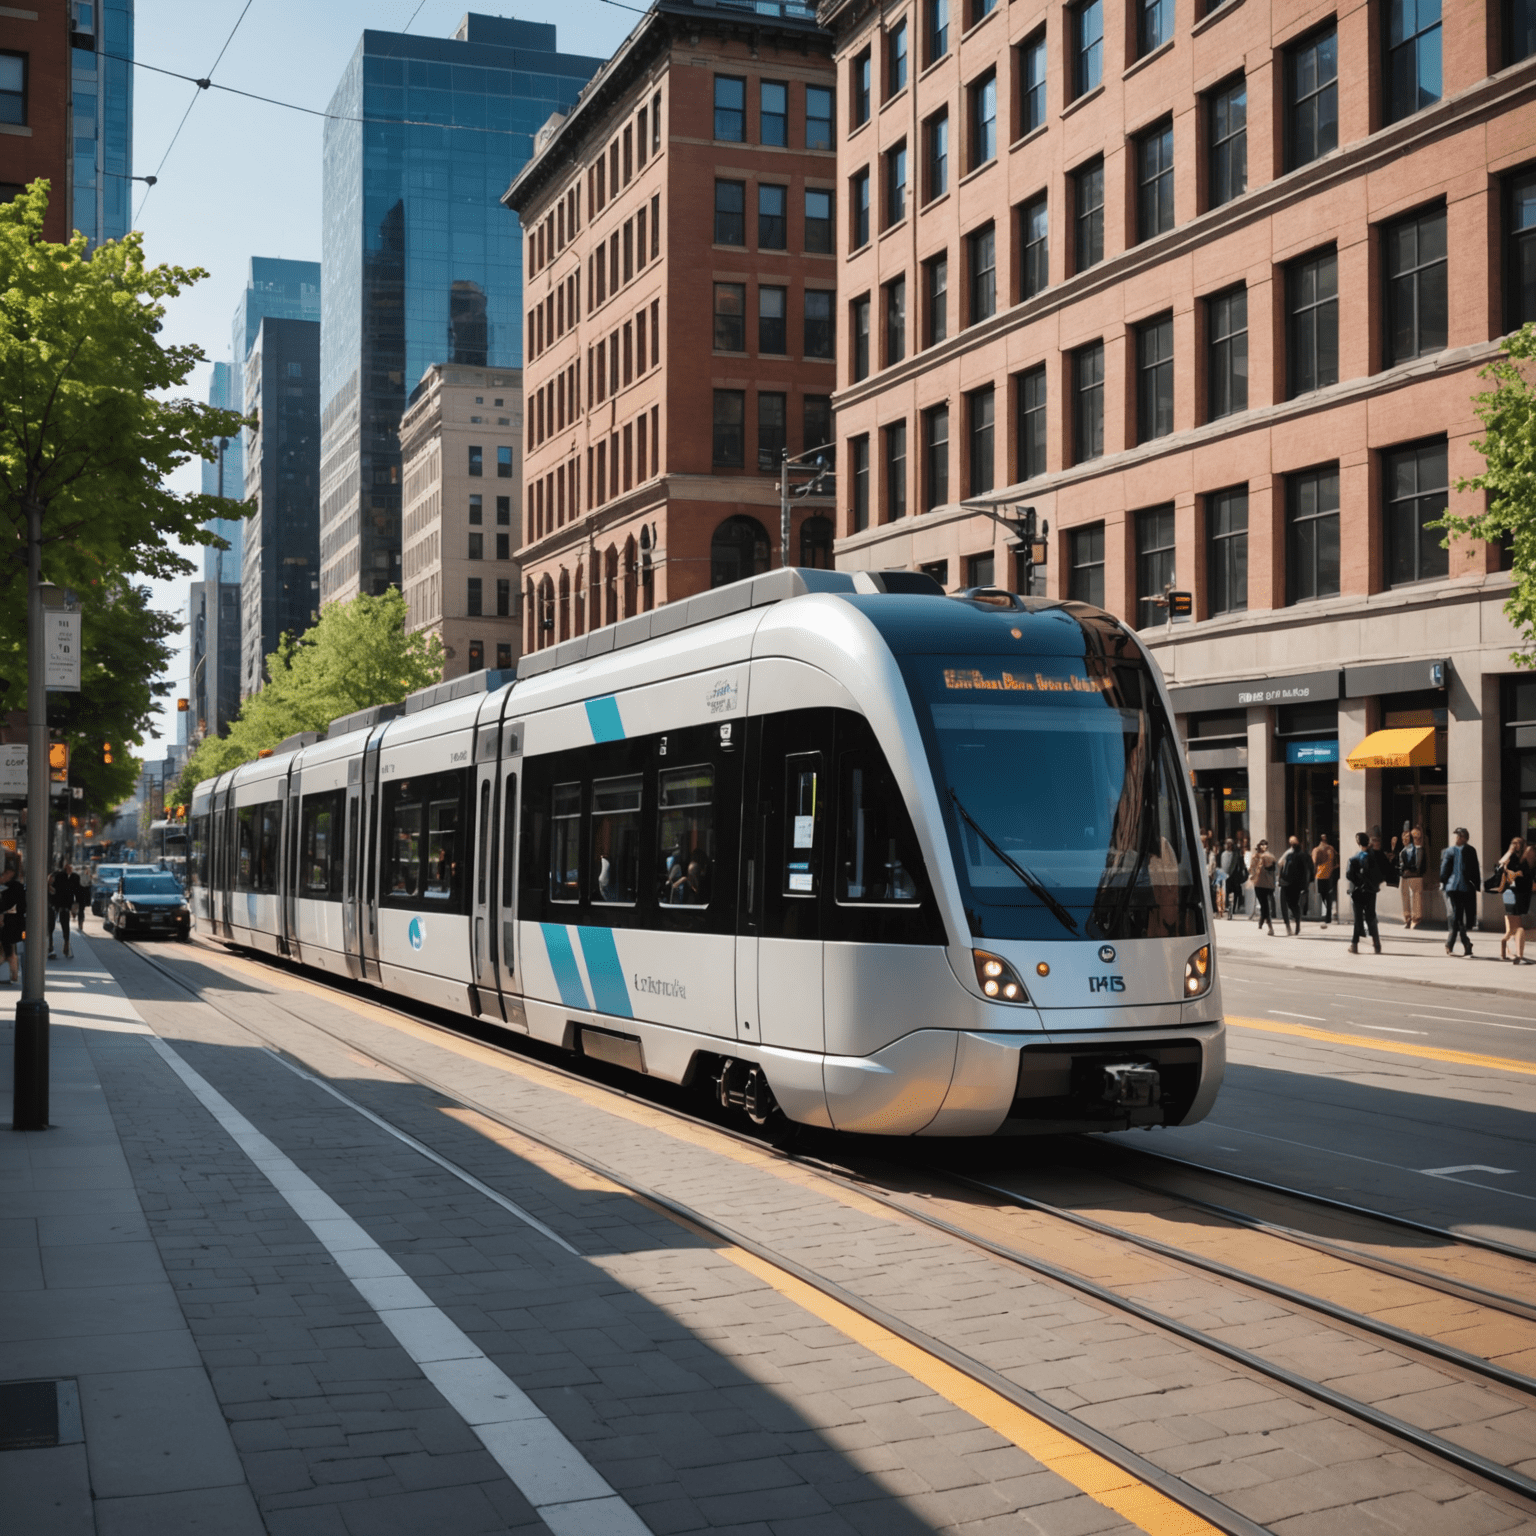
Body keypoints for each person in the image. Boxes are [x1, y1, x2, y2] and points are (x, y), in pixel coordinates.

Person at [1346, 832, 1394, 954]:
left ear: (1358, 842)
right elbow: (1386, 871)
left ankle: (1354, 944)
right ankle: (1376, 943)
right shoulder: (1376, 856)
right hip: (1371, 891)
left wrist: (1358, 883)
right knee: (1371, 916)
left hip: (1357, 892)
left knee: (1358, 918)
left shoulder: (1354, 858)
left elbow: (1349, 875)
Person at [1439, 827, 1481, 957]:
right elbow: (1444, 868)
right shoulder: (1448, 851)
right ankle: (1464, 943)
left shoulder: (1470, 850)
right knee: (1457, 914)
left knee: (1458, 916)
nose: (1456, 838)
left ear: (1464, 838)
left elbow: (1475, 868)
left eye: (1459, 836)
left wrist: (1477, 885)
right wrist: (1442, 882)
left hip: (1465, 887)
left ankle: (1455, 943)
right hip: (1452, 887)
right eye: (1456, 836)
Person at [1495, 836, 1527, 961]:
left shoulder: (1524, 858)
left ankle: (1507, 950)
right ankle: (1511, 951)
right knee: (1514, 922)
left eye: (1519, 843)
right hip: (1510, 893)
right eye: (1514, 843)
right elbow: (1500, 864)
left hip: (1521, 892)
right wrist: (1510, 851)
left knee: (1514, 923)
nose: (1516, 845)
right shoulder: (1511, 857)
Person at [47, 860, 82, 959]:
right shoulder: (56, 875)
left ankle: (66, 945)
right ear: (64, 866)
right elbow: (49, 886)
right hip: (53, 904)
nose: (70, 868)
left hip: (65, 905)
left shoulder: (75, 877)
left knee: (65, 926)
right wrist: (51, 891)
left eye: (71, 866)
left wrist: (74, 910)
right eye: (68, 866)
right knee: (50, 926)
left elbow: (77, 893)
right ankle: (50, 948)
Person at [1396, 826, 1428, 929]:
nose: (1404, 840)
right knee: (1406, 896)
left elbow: (1420, 865)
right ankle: (1408, 918)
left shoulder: (1418, 849)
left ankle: (1415, 919)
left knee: (1416, 896)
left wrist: (1411, 870)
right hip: (1406, 876)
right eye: (1403, 838)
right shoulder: (1404, 851)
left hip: (1415, 875)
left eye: (1406, 837)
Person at [0, 860, 24, 984]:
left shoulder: (14, 887)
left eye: (5, 874)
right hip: (11, 922)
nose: (2, 876)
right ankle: (13, 972)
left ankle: (14, 972)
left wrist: (4, 913)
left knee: (8, 946)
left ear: (11, 873)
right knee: (8, 947)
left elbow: (15, 906)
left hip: (12, 922)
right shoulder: (9, 886)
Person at [1248, 840, 1277, 935]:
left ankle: (1269, 927)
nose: (1264, 847)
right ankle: (1262, 921)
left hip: (1263, 884)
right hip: (1261, 884)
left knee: (1265, 906)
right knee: (1265, 904)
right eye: (1262, 845)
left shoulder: (1267, 857)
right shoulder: (1261, 857)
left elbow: (1252, 870)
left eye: (1265, 845)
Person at [1513, 846, 1536, 966]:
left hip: (1529, 898)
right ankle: (1519, 955)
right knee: (1522, 928)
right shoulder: (1522, 865)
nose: (1530, 854)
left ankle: (1518, 954)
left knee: (1523, 929)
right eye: (1528, 852)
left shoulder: (1531, 866)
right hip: (1524, 898)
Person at [1312, 833, 1337, 926]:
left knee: (1327, 896)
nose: (1324, 841)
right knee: (1325, 896)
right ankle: (1325, 915)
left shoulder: (1330, 849)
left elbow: (1336, 861)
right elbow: (1315, 861)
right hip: (1322, 875)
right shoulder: (1317, 849)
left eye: (1325, 839)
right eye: (1323, 840)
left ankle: (1328, 916)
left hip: (1326, 875)